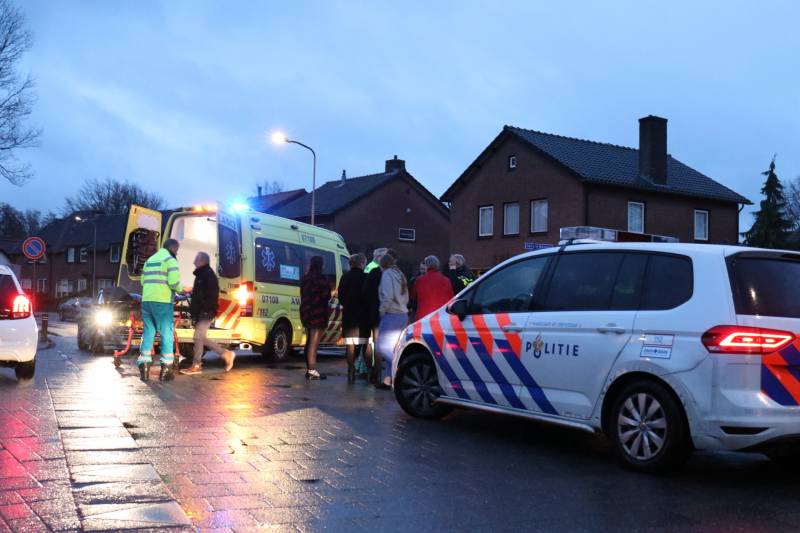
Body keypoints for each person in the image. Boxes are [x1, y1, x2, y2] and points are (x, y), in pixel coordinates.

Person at [180, 252, 236, 376]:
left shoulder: (208, 275)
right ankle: (226, 354)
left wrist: (205, 310)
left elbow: (211, 295)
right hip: (202, 312)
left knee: (197, 337)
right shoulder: (202, 275)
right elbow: (199, 295)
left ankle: (196, 365)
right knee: (201, 338)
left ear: (202, 261)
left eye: (196, 260)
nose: (194, 262)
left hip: (206, 312)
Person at [137, 238, 183, 382]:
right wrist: (183, 289)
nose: (177, 252)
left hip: (146, 301)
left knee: (148, 332)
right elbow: (174, 283)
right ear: (173, 248)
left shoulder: (149, 260)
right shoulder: (170, 260)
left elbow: (143, 281)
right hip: (162, 302)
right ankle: (166, 369)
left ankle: (144, 367)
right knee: (166, 333)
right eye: (177, 250)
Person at [375, 252, 409, 390]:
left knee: (382, 347)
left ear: (382, 265)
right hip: (402, 314)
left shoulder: (387, 274)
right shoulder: (399, 274)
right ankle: (388, 380)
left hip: (391, 314)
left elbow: (387, 296)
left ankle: (402, 370)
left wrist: (382, 310)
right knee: (392, 348)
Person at [337, 253, 369, 382]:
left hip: (349, 315)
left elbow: (340, 296)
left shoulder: (344, 277)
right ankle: (369, 371)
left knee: (350, 345)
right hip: (363, 315)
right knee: (366, 343)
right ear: (362, 263)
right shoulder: (366, 277)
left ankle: (351, 370)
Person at [300, 255, 331, 380]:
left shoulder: (305, 278)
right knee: (314, 342)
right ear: (321, 265)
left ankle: (309, 369)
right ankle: (312, 370)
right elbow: (326, 296)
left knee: (309, 341)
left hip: (306, 311)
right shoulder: (322, 279)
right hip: (318, 312)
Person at [409, 255, 453, 321]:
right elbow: (451, 298)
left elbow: (413, 298)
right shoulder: (446, 281)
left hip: (424, 317)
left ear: (427, 266)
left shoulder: (419, 280)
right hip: (441, 317)